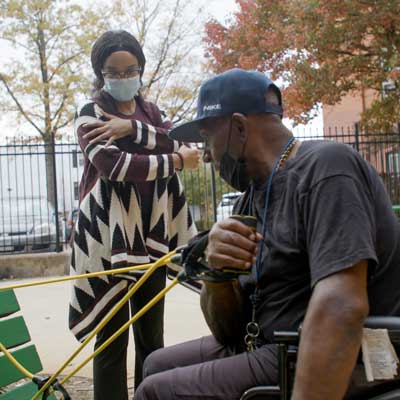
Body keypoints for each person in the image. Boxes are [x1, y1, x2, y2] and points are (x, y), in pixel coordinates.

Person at [134, 68, 400, 400]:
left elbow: (341, 305)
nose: (204, 155)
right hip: (263, 343)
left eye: (208, 137)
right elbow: (227, 331)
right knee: (155, 364)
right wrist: (216, 272)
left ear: (240, 127)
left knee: (155, 393)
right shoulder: (251, 197)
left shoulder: (327, 169)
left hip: (310, 354)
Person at [68, 30, 200, 399]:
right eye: (114, 71)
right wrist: (173, 160)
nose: (123, 78)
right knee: (110, 342)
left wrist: (131, 128)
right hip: (109, 240)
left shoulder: (150, 111)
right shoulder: (89, 113)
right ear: (101, 72)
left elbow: (181, 138)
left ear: (140, 68)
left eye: (131, 70)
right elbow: (114, 165)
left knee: (151, 339)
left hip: (151, 236)